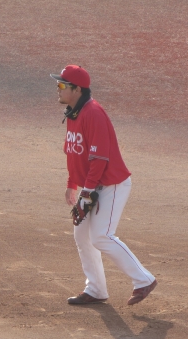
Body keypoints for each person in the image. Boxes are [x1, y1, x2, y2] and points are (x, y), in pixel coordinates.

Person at [50, 65, 157, 306]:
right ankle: (96, 289)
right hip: (92, 185)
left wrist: (87, 192)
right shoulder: (74, 112)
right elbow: (74, 153)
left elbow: (99, 159)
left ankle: (144, 280)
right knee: (82, 235)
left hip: (111, 184)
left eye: (62, 85)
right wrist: (72, 184)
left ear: (77, 89)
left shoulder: (93, 113)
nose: (58, 89)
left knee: (101, 236)